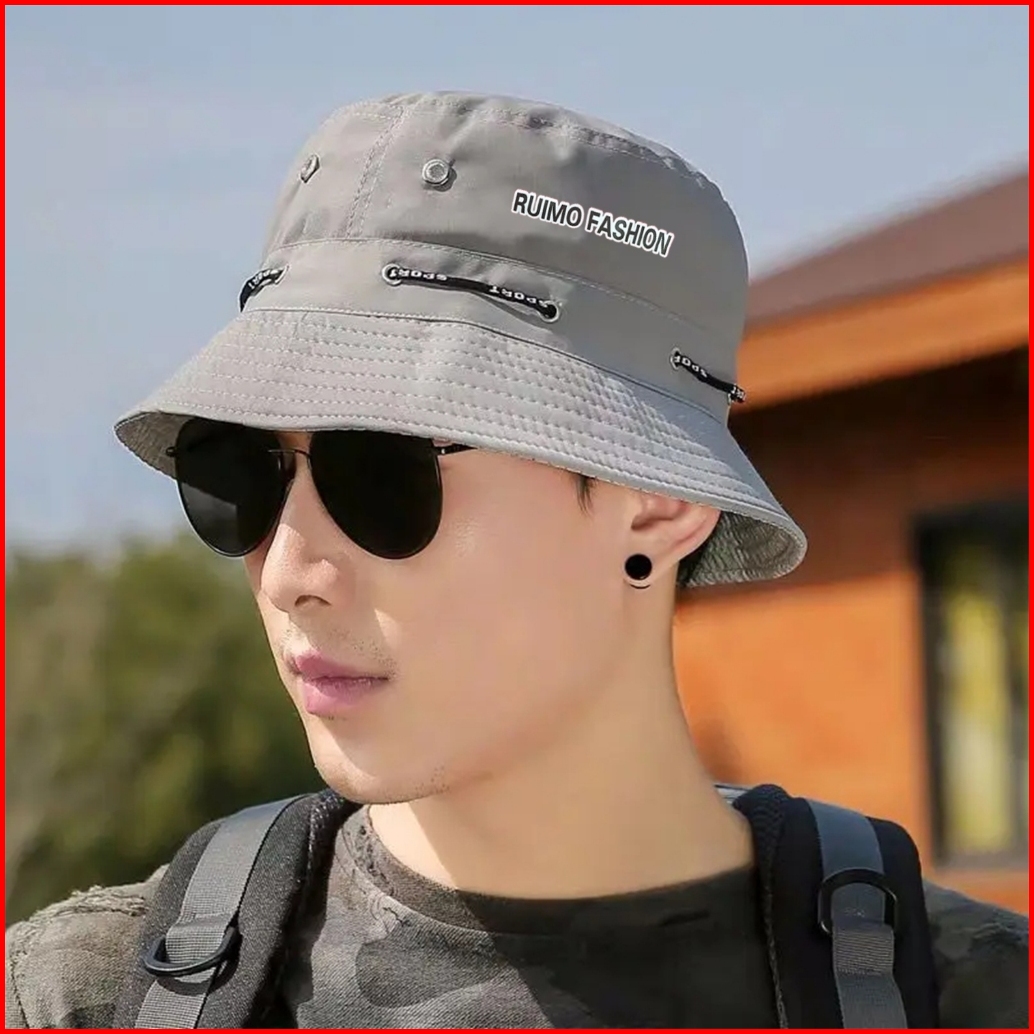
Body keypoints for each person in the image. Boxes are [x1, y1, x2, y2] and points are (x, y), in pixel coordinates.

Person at [5, 91, 1027, 1029]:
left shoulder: (972, 996)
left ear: (657, 501)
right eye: (240, 473)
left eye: (381, 476)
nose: (287, 572)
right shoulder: (79, 998)